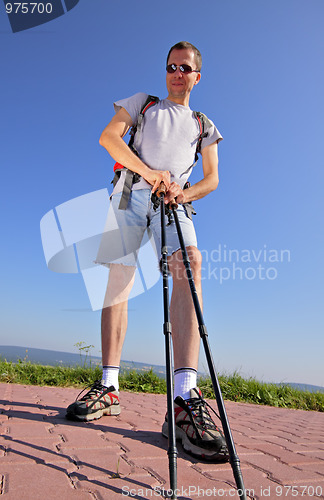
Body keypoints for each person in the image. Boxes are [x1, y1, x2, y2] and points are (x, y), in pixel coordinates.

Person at [66, 41, 229, 462]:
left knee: (190, 265)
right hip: (128, 195)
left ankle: (183, 398)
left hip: (176, 202)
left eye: (186, 67)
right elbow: (109, 139)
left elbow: (211, 179)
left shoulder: (203, 123)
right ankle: (109, 386)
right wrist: (150, 172)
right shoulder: (142, 104)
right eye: (171, 66)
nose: (177, 72)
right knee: (117, 280)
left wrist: (181, 188)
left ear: (197, 76)